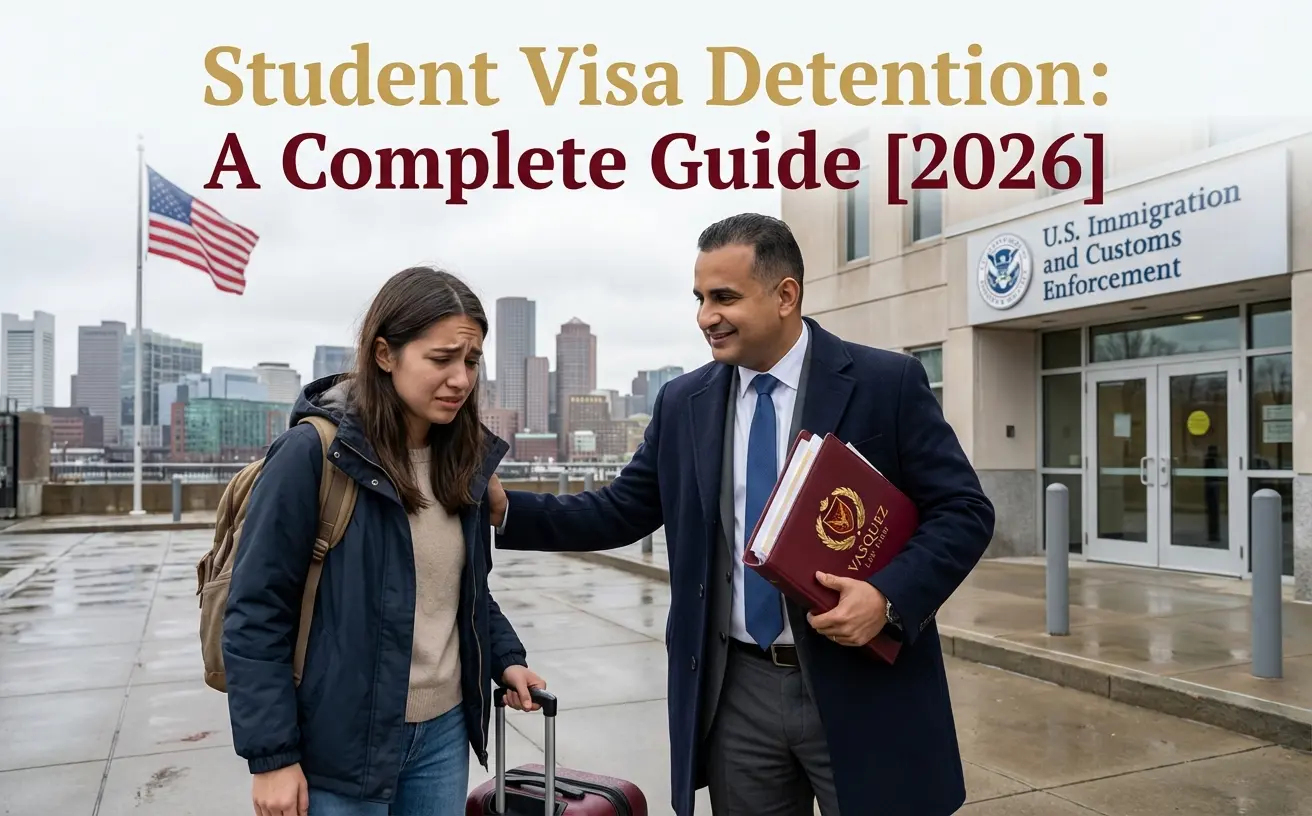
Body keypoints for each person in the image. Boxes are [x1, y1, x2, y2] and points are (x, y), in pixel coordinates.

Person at [487, 214, 995, 816]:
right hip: (736, 691)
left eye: (724, 297)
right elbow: (621, 509)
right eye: (700, 298)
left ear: (786, 296)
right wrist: (506, 510)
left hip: (861, 683)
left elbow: (963, 511)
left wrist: (886, 599)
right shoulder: (684, 402)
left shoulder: (887, 383)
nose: (706, 315)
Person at [223, 266, 547, 816]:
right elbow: (256, 612)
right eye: (441, 359)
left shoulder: (462, 461)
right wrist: (273, 758)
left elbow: (464, 591)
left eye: (470, 361)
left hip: (443, 736)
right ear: (384, 354)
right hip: (339, 747)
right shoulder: (312, 455)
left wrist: (506, 659)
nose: (461, 379)